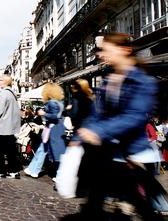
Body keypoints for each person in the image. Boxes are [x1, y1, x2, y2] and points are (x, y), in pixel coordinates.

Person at [73, 32, 160, 219]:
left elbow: (135, 116)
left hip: (133, 155)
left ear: (125, 50)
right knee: (96, 203)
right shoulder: (107, 81)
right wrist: (79, 136)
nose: (101, 55)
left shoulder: (143, 82)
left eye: (106, 50)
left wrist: (99, 130)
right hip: (108, 153)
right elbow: (96, 115)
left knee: (139, 209)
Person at [24, 83, 65, 179]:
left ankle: (58, 175)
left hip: (52, 129)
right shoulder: (59, 102)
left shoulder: (52, 103)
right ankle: (33, 169)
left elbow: (54, 116)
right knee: (43, 150)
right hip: (55, 128)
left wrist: (44, 113)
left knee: (52, 152)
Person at [0, 74, 22, 179]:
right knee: (10, 150)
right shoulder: (12, 94)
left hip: (1, 127)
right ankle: (13, 171)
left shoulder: (2, 94)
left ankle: (1, 171)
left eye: (0, 80)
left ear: (4, 82)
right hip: (10, 127)